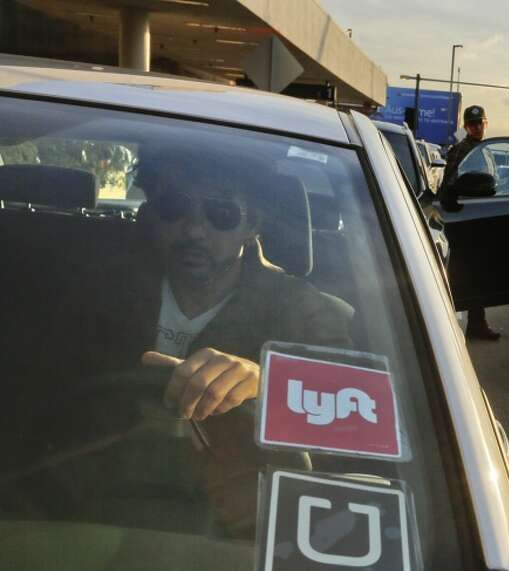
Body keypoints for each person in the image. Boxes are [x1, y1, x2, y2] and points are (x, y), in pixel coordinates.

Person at [82, 146, 353, 421]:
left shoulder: (301, 309)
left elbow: (351, 399)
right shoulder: (103, 291)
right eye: (174, 207)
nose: (194, 230)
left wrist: (265, 381)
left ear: (252, 227)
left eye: (221, 213)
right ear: (152, 214)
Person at [440, 104, 501, 340]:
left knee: (476, 273)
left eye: (480, 123)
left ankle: (476, 323)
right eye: (472, 124)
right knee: (460, 272)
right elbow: (449, 184)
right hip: (465, 220)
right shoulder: (460, 150)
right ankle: (443, 322)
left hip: (480, 219)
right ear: (465, 126)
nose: (477, 127)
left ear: (486, 123)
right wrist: (452, 204)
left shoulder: (484, 150)